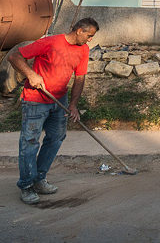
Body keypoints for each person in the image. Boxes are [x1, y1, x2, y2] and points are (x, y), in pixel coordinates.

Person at [8, 17, 99, 205]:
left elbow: (80, 78)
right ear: (79, 30)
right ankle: (26, 186)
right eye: (89, 35)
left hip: (59, 101)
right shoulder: (50, 42)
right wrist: (31, 74)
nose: (90, 39)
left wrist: (73, 105)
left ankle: (39, 179)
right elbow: (14, 56)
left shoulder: (83, 50)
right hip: (35, 100)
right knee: (30, 141)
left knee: (56, 137)